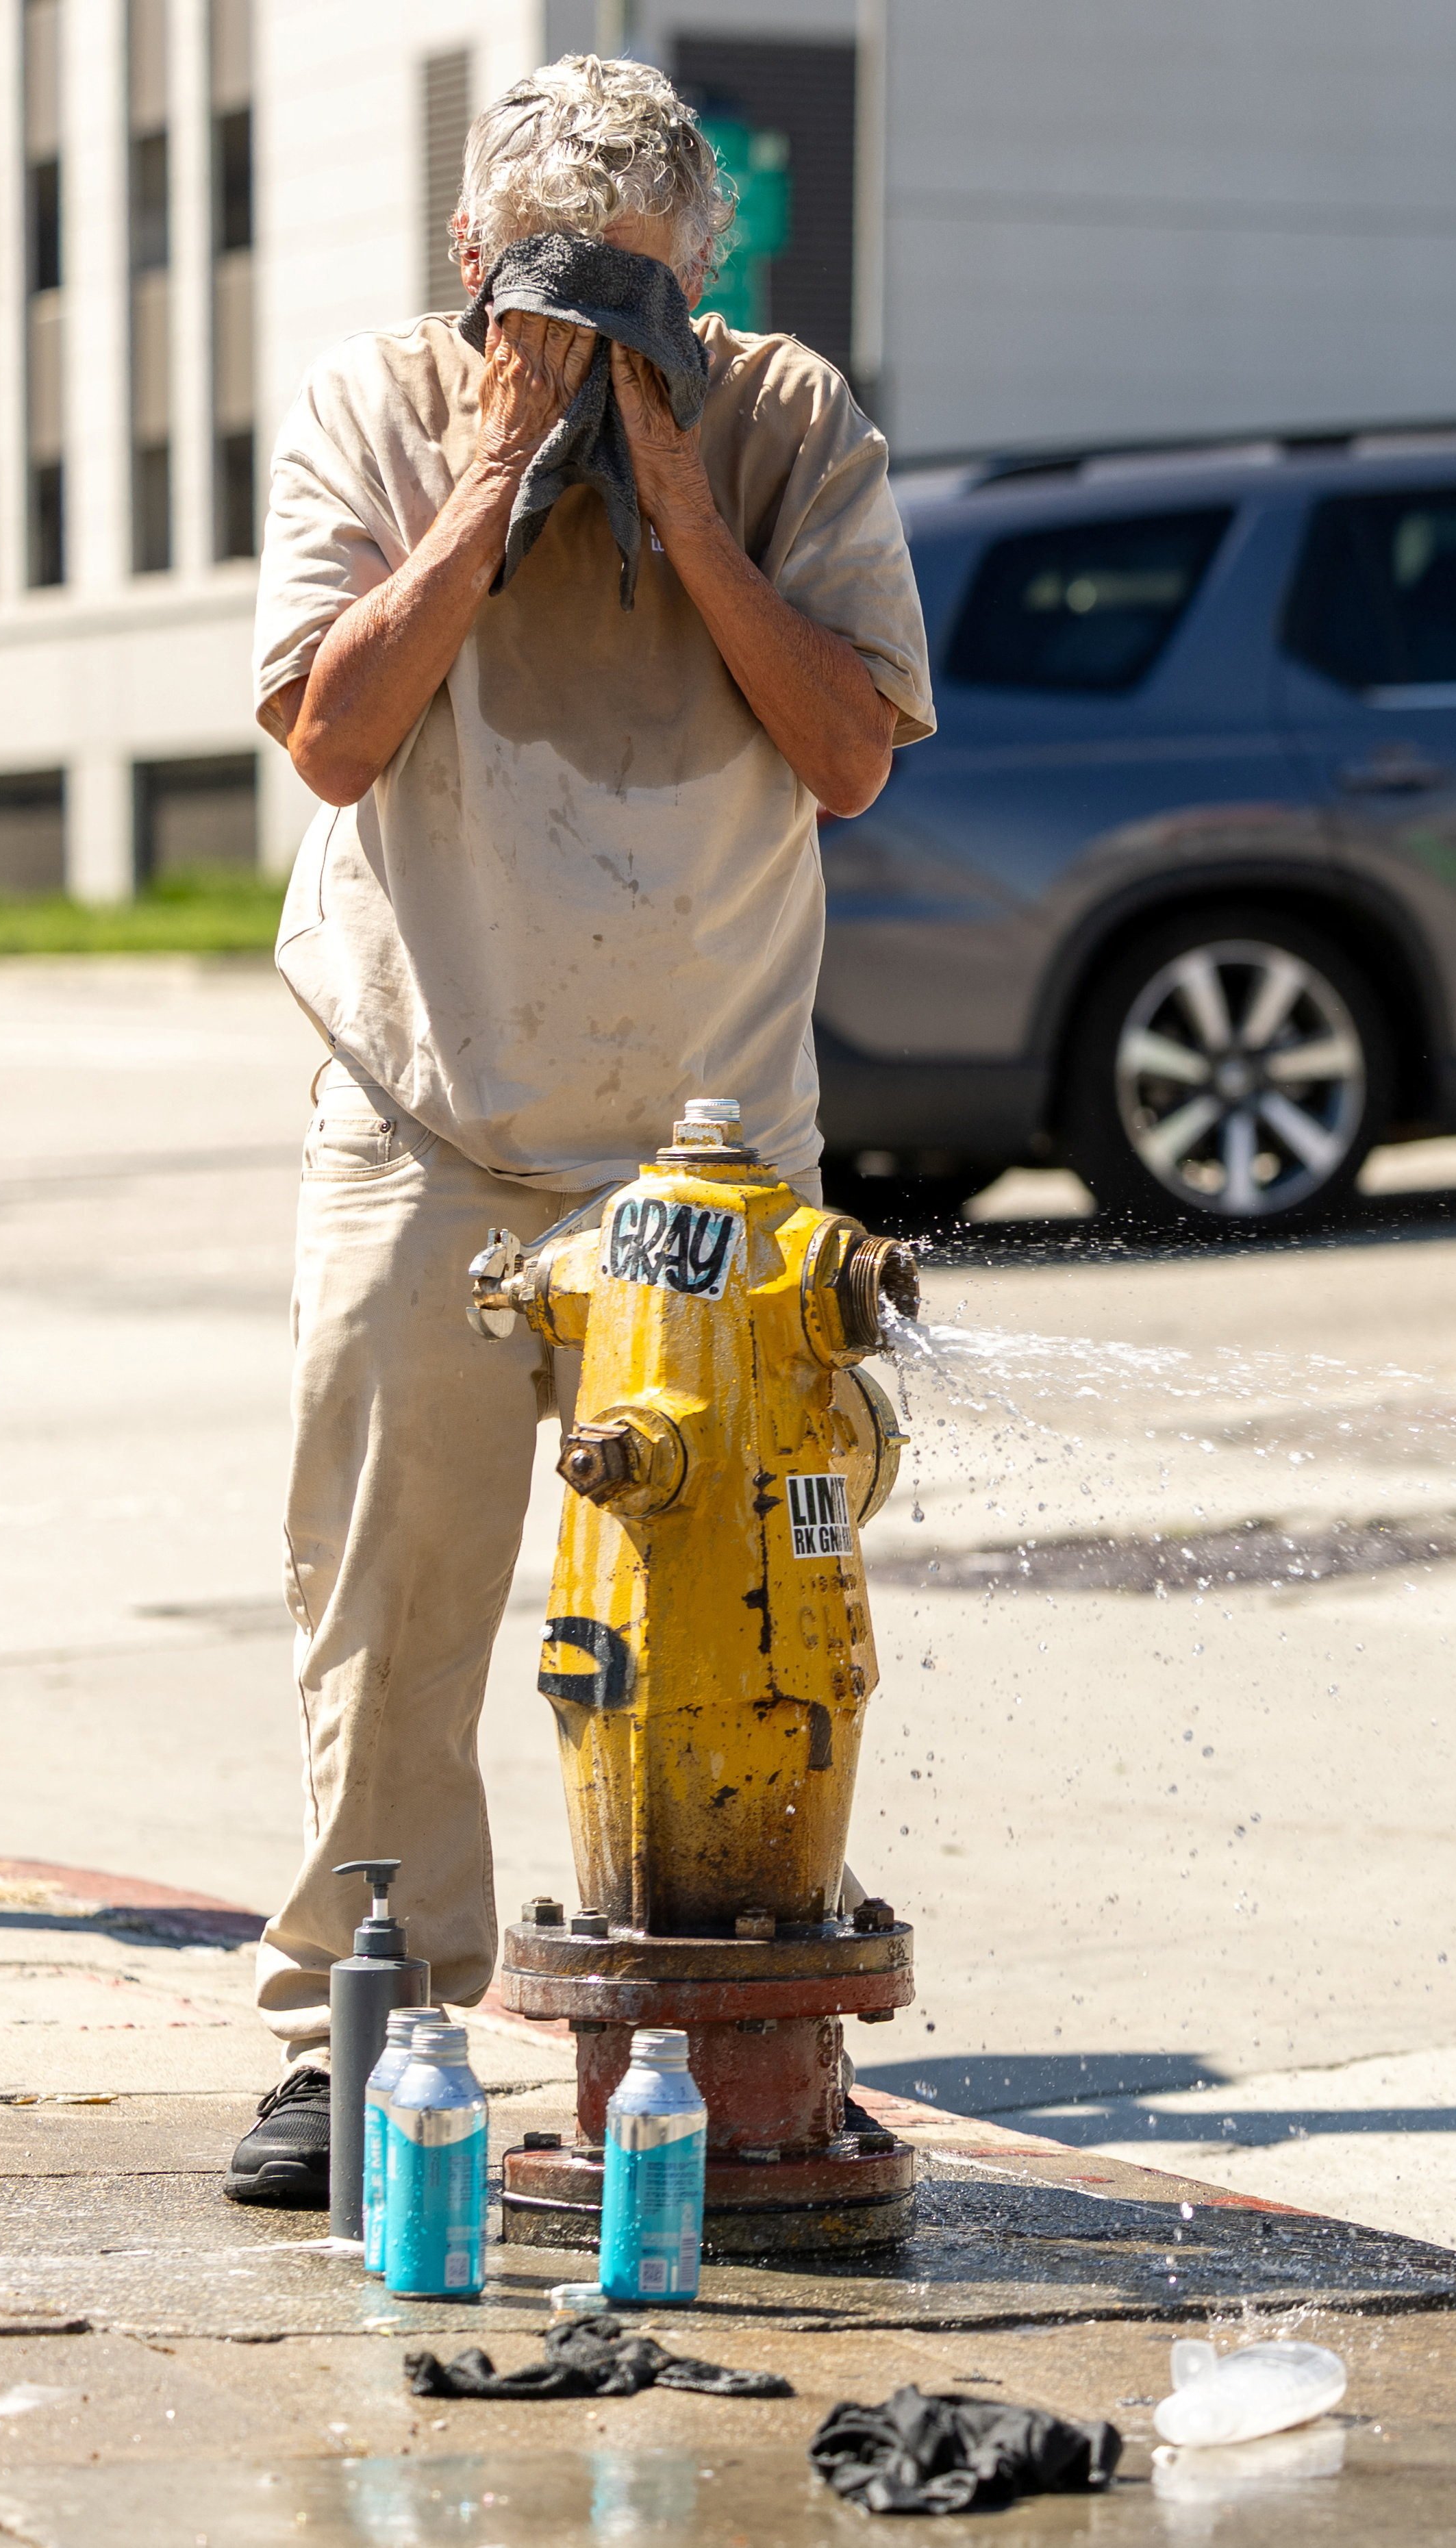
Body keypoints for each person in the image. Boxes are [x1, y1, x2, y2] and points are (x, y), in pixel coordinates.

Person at [225, 52, 934, 2205]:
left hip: (705, 1148)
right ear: (465, 257)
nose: (602, 330)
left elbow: (844, 757)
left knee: (730, 1610)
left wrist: (680, 491)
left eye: (645, 297)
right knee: (392, 1607)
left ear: (700, 287)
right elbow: (333, 737)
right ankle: (370, 2023)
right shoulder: (370, 403)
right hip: (424, 1098)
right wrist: (494, 471)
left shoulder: (781, 413)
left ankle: (714, 2044)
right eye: (555, 286)